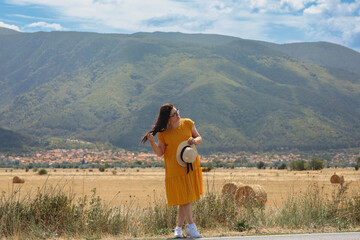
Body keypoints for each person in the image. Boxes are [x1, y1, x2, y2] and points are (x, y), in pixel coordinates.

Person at [141, 103, 203, 238]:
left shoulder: (187, 123)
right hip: (174, 168)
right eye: (174, 114)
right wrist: (152, 142)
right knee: (185, 198)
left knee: (185, 198)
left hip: (189, 164)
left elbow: (199, 138)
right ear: (167, 118)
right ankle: (191, 226)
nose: (177, 114)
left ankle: (179, 229)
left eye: (177, 111)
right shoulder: (163, 133)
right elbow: (160, 152)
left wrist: (194, 140)